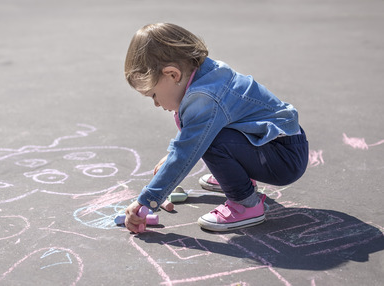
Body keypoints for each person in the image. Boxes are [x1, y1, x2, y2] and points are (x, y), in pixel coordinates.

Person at [123, 23, 308, 233]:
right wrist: (170, 160)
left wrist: (147, 201)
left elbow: (188, 150)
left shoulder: (205, 98)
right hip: (280, 145)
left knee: (212, 142)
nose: (156, 104)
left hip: (283, 159)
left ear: (173, 74)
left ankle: (245, 204)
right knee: (208, 137)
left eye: (153, 95)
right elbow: (192, 135)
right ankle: (237, 177)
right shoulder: (206, 73)